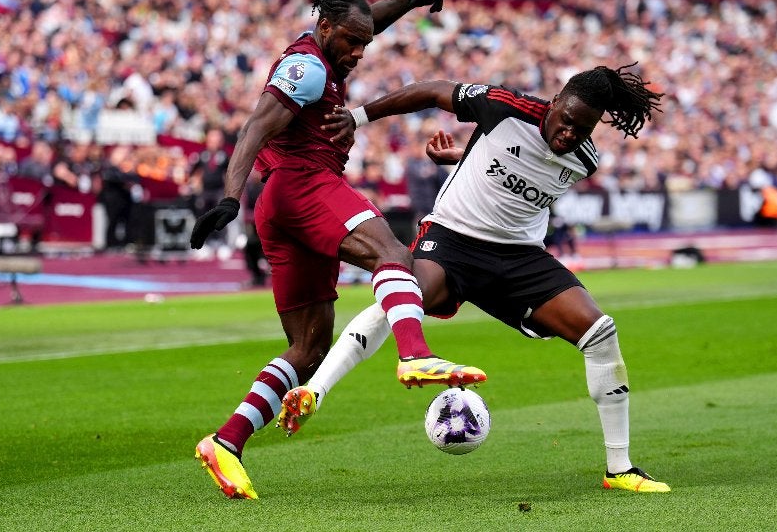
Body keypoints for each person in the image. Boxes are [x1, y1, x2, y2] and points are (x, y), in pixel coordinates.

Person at [279, 65, 672, 493]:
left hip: (519, 257)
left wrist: (462, 158)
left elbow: (516, 178)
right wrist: (358, 117)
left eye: (582, 129)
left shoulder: (584, 161)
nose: (569, 135)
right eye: (566, 122)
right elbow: (431, 89)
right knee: (402, 297)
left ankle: (620, 469)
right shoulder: (504, 107)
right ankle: (314, 392)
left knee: (600, 333)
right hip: (454, 240)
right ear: (554, 102)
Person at [188, 0, 485, 500]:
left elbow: (367, 18)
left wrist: (412, 1)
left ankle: (226, 442)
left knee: (308, 349)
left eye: (363, 44)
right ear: (324, 29)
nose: (357, 52)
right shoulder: (308, 69)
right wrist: (229, 197)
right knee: (394, 255)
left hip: (283, 206)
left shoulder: (330, 42)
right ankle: (414, 353)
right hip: (303, 184)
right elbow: (253, 129)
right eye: (350, 42)